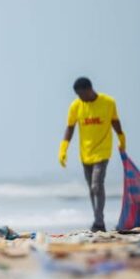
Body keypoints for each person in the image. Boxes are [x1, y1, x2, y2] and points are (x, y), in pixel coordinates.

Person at [58, 77, 126, 232]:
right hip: (85, 153)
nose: (80, 98)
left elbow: (115, 121)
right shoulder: (76, 106)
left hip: (102, 151)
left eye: (82, 94)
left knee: (97, 185)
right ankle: (98, 221)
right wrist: (63, 148)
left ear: (89, 89)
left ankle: (99, 221)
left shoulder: (108, 102)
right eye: (78, 95)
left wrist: (121, 137)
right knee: (91, 188)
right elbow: (70, 127)